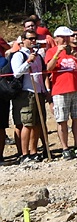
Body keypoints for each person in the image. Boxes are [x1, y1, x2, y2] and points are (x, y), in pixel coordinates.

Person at [45, 26, 77, 159]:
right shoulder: (51, 51)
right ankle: (65, 148)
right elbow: (48, 68)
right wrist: (57, 54)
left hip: (76, 88)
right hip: (60, 90)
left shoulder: (76, 50)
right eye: (63, 37)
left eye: (67, 37)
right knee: (62, 120)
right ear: (56, 38)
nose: (66, 39)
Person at [10, 31, 47, 163]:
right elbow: (17, 73)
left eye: (35, 38)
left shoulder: (37, 55)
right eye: (30, 39)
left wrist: (44, 90)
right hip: (26, 92)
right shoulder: (19, 55)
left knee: (37, 123)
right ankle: (24, 153)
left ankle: (33, 151)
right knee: (27, 123)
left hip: (38, 91)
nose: (33, 41)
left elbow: (41, 73)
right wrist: (28, 62)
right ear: (23, 40)